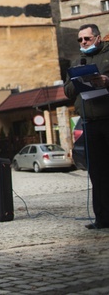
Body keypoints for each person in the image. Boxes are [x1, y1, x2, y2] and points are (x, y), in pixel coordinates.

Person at [64, 23, 109, 229]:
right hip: (89, 123)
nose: (83, 42)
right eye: (80, 40)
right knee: (97, 173)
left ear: (98, 38)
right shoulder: (77, 62)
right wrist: (78, 80)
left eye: (87, 39)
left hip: (107, 118)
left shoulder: (107, 56)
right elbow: (67, 90)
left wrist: (105, 80)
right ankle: (102, 218)